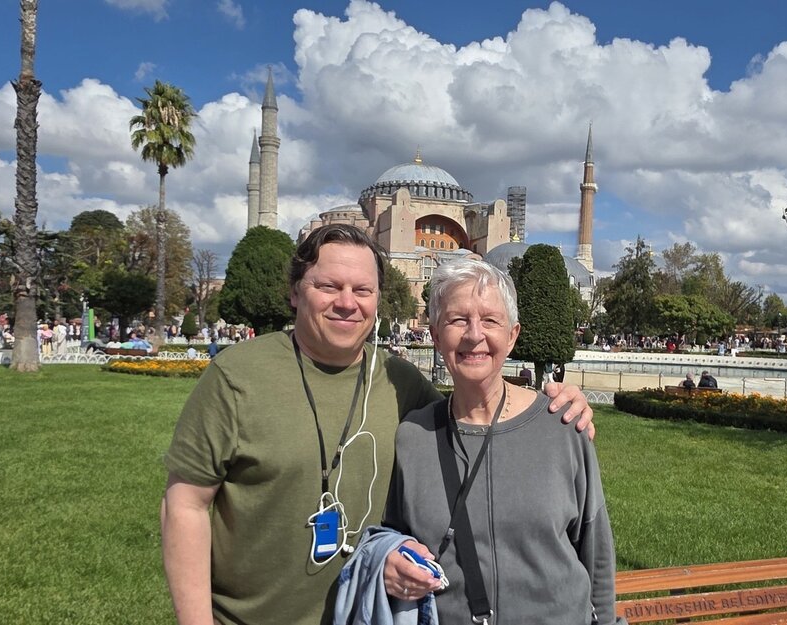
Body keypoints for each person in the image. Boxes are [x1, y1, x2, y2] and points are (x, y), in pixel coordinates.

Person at [162, 224, 594, 625]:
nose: (347, 302)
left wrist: (551, 403)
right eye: (329, 286)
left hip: (362, 613)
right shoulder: (238, 376)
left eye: (362, 289)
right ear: (295, 292)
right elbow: (186, 505)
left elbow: (474, 414)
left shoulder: (399, 382)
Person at [333, 257, 619, 624]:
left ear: (513, 335)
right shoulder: (413, 437)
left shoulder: (562, 425)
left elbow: (596, 553)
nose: (474, 335)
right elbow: (393, 533)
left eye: (489, 320)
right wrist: (389, 560)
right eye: (457, 320)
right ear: (435, 336)